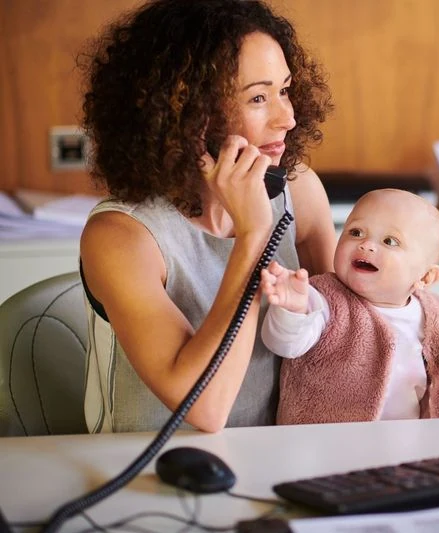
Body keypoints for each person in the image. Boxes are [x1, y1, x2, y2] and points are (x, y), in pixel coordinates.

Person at [78, 0, 337, 433]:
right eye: (258, 97)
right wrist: (254, 234)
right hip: (151, 474)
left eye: (285, 90)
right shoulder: (121, 236)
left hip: (280, 459)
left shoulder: (299, 191)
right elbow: (204, 411)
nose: (287, 118)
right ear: (187, 114)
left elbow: (343, 342)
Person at [261, 189, 439, 424]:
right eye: (355, 232)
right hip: (327, 448)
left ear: (426, 277)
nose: (366, 244)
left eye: (390, 241)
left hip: (402, 451)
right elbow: (286, 345)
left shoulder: (433, 316)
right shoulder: (323, 298)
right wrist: (292, 309)